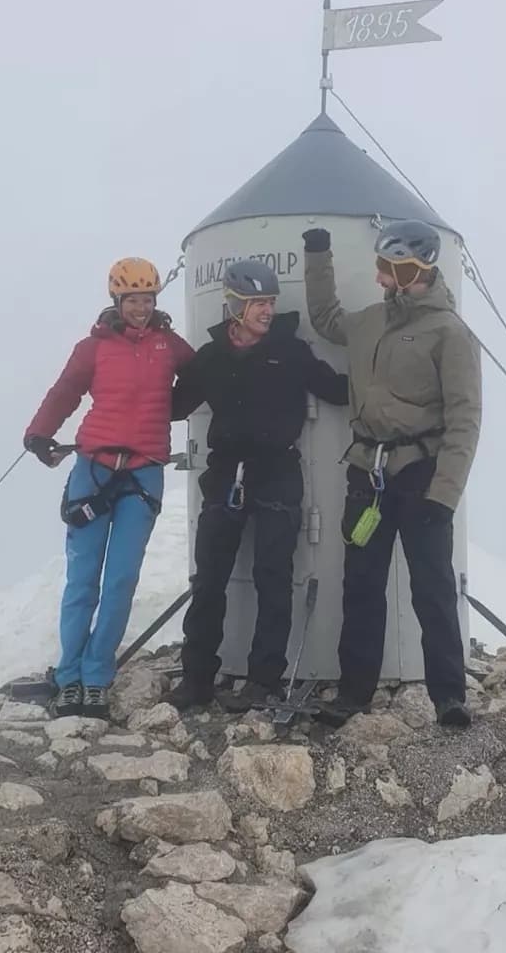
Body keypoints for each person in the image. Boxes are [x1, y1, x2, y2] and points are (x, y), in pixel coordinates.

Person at [302, 220, 481, 727]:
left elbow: (465, 420)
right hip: (367, 473)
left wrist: (443, 494)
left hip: (422, 476)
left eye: (387, 268)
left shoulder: (451, 333)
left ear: (411, 270)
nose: (379, 278)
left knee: (432, 587)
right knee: (361, 584)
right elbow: (324, 318)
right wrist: (318, 254)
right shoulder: (369, 323)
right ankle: (354, 692)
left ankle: (449, 696)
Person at [168, 259, 348, 712]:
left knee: (273, 578)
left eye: (269, 302)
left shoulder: (291, 351)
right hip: (225, 474)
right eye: (257, 303)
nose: (267, 310)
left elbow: (336, 390)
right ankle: (197, 679)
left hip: (277, 475)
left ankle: (264, 680)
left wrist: (385, 371)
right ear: (235, 306)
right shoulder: (209, 358)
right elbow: (171, 404)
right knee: (209, 579)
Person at [24, 257, 193, 719]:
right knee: (82, 581)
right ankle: (69, 675)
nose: (141, 308)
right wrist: (39, 434)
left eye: (148, 299)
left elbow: (204, 378)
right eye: (133, 300)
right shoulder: (93, 349)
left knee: (120, 580)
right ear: (117, 300)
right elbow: (65, 392)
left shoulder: (170, 347)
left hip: (142, 473)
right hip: (93, 470)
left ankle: (96, 677)